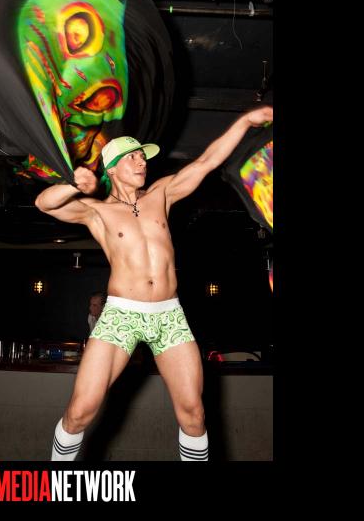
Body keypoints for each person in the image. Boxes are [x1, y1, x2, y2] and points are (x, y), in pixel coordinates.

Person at [35, 106, 273, 461]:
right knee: (81, 411)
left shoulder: (161, 194)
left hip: (169, 316)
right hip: (121, 315)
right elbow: (44, 204)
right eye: (133, 157)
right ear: (112, 167)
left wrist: (245, 122)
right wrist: (72, 184)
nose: (142, 162)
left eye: (143, 157)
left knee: (194, 414)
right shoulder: (97, 212)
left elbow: (206, 161)